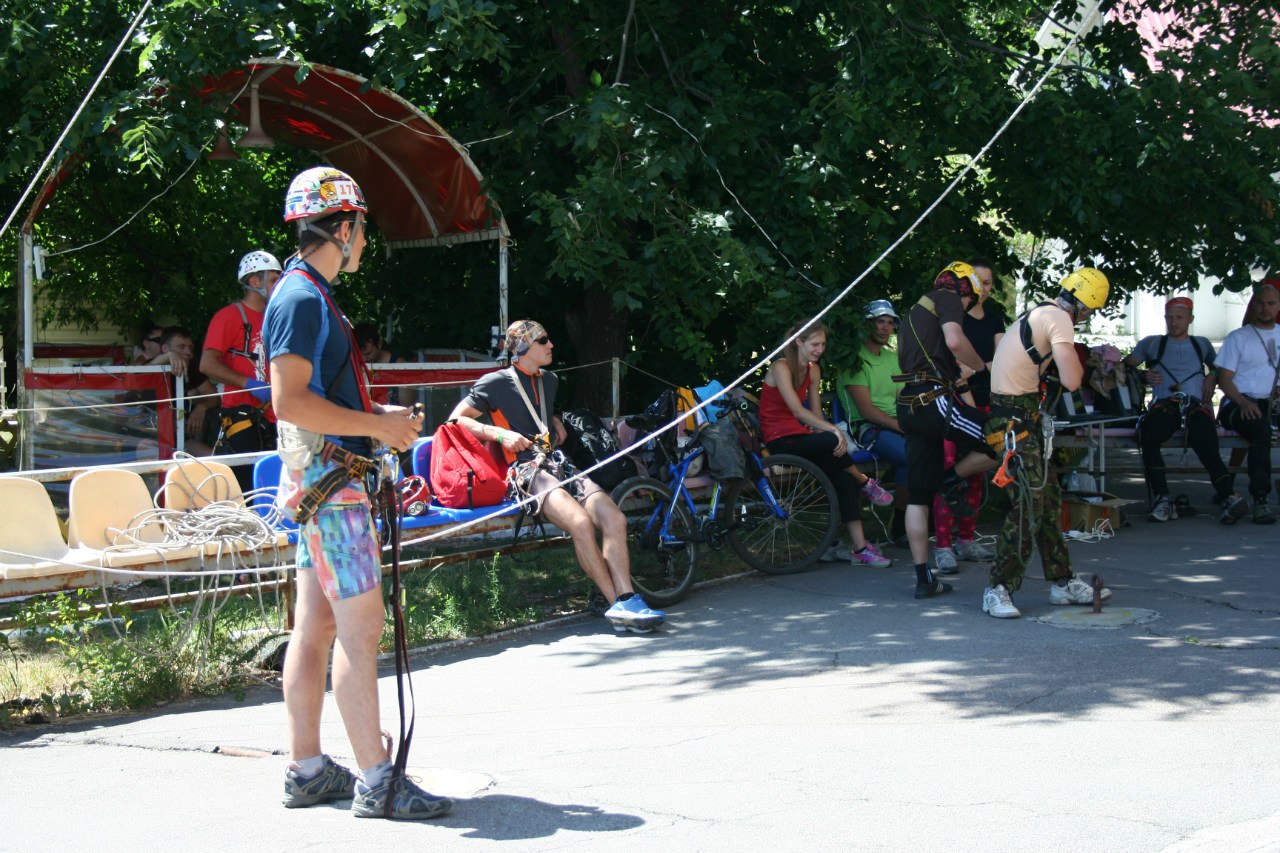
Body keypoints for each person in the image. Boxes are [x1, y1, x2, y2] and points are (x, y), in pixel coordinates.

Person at [265, 166, 447, 820]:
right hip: (333, 492)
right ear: (343, 228)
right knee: (359, 631)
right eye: (362, 229)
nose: (365, 242)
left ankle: (308, 767)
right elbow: (288, 399)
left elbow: (316, 397)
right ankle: (377, 778)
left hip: (323, 484)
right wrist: (379, 428)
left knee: (315, 626)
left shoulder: (306, 294)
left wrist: (378, 422)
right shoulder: (303, 298)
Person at [447, 319, 668, 632]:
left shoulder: (549, 380)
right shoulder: (493, 382)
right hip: (526, 470)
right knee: (580, 523)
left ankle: (628, 598)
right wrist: (498, 434)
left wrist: (554, 419)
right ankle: (616, 605)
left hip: (560, 463)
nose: (551, 345)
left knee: (614, 520)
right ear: (523, 348)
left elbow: (539, 409)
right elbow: (456, 420)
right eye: (543, 341)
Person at [981, 268, 1115, 619]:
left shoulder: (1038, 311)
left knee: (1048, 501)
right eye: (1090, 311)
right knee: (1029, 502)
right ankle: (998, 588)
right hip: (1013, 423)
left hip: (1017, 420)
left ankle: (1062, 582)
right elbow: (1073, 381)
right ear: (1085, 308)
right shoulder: (1058, 319)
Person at [896, 262, 999, 598]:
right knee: (1008, 436)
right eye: (972, 298)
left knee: (920, 495)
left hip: (910, 404)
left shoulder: (915, 311)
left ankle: (925, 578)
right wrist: (983, 369)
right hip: (932, 402)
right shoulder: (949, 297)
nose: (968, 308)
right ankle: (952, 480)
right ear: (965, 287)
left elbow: (942, 359)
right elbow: (956, 340)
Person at [762, 320, 894, 568]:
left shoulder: (813, 369)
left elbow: (815, 412)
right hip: (780, 440)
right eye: (814, 344)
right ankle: (865, 482)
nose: (820, 349)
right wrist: (833, 431)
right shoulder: (781, 367)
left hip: (803, 437)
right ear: (799, 342)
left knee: (843, 478)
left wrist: (826, 430)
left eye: (822, 344)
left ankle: (860, 548)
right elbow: (796, 411)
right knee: (832, 440)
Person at [1123, 296, 1241, 522]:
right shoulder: (1151, 343)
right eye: (1169, 318)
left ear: (1190, 319)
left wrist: (1212, 377)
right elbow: (1123, 368)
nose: (1173, 322)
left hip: (1194, 407)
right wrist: (1143, 375)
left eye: (1179, 318)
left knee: (1208, 442)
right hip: (1164, 406)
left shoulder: (1202, 344)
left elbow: (1219, 368)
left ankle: (1228, 496)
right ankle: (1162, 499)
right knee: (1148, 435)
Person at [930, 259, 1004, 572]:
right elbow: (952, 360)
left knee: (976, 472)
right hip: (954, 403)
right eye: (978, 282)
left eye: (988, 283)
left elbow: (999, 361)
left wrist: (982, 370)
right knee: (949, 471)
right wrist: (976, 368)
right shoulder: (951, 315)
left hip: (986, 401)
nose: (983, 289)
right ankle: (943, 546)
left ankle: (966, 539)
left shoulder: (995, 316)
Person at [198, 250, 283, 483]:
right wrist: (248, 384)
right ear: (255, 281)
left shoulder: (275, 316)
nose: (280, 285)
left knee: (275, 486)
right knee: (247, 487)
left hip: (278, 416)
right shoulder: (229, 316)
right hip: (241, 416)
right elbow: (207, 364)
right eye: (274, 279)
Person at [837, 300, 909, 547]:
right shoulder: (854, 359)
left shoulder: (892, 357)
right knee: (911, 456)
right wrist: (902, 426)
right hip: (865, 428)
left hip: (894, 423)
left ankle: (910, 522)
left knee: (928, 450)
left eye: (890, 322)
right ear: (867, 324)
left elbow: (902, 397)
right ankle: (901, 527)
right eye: (880, 321)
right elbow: (866, 411)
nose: (885, 327)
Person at [1214, 282, 1280, 525]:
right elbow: (1225, 380)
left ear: (1278, 306)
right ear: (1253, 305)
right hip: (1236, 404)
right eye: (1260, 303)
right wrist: (1242, 402)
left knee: (1263, 425)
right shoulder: (1238, 337)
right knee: (1261, 431)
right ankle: (1260, 499)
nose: (1265, 308)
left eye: (1271, 303)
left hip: (1269, 403)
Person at [146, 326, 216, 456]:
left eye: (191, 348)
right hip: (147, 435)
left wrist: (201, 407)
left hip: (179, 437)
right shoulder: (153, 367)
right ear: (165, 349)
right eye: (181, 347)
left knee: (214, 458)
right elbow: (139, 373)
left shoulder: (190, 367)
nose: (188, 352)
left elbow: (213, 396)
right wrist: (169, 356)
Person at [354, 323, 418, 408]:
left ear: (379, 344)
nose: (364, 359)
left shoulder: (399, 366)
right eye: (360, 355)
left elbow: (407, 405)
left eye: (369, 353)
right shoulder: (353, 364)